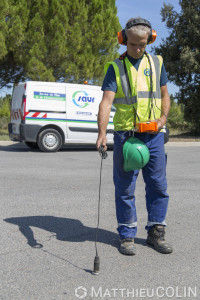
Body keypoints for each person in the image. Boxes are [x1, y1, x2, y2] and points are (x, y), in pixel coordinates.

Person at [96, 17, 173, 255]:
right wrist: (101, 133)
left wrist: (163, 119)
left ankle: (155, 233)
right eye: (133, 44)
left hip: (154, 135)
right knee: (125, 188)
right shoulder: (115, 68)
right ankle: (127, 235)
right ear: (123, 40)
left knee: (158, 186)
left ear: (150, 40)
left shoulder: (157, 62)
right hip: (126, 138)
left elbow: (165, 95)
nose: (138, 49)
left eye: (142, 44)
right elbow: (106, 102)